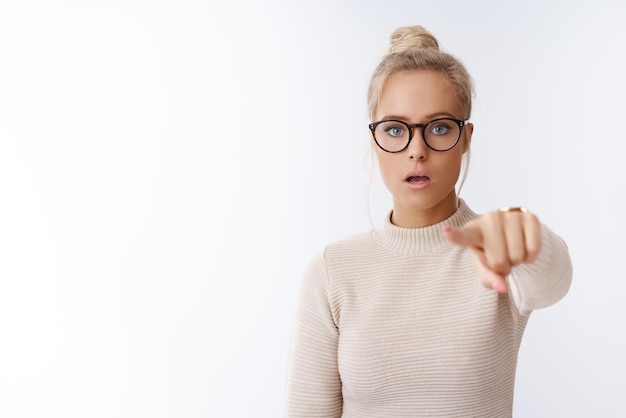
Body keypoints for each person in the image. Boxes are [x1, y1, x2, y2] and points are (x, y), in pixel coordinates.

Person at [285, 25, 572, 417]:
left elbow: (553, 279)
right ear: (375, 140)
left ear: (466, 138)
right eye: (395, 129)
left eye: (439, 128)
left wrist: (524, 233)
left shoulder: (496, 247)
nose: (417, 150)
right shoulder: (332, 269)